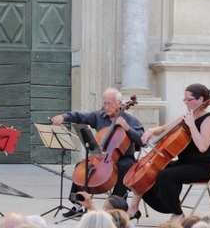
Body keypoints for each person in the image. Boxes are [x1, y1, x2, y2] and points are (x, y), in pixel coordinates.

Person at [127, 84, 210, 223]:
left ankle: (177, 213)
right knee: (150, 170)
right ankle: (133, 207)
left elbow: (203, 147)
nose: (186, 103)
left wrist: (192, 124)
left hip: (203, 166)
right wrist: (151, 131)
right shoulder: (186, 116)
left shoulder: (209, 120)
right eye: (185, 100)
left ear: (200, 99)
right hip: (184, 163)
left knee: (166, 175)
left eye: (189, 99)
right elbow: (164, 128)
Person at [51, 88, 144, 217]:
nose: (106, 106)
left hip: (124, 157)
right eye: (105, 103)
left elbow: (142, 140)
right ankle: (77, 205)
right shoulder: (98, 116)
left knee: (123, 167)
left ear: (119, 103)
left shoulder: (130, 120)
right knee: (81, 167)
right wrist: (64, 117)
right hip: (103, 156)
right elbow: (79, 116)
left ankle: (116, 208)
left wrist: (127, 127)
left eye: (110, 103)